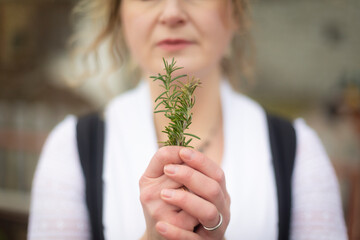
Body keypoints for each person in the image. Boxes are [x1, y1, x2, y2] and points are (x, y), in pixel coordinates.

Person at [27, 0, 348, 239]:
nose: (171, 12)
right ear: (119, 13)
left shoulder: (298, 150)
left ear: (235, 11)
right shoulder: (71, 149)